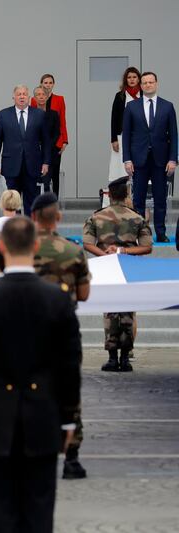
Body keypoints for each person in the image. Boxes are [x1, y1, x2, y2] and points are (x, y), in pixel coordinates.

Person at [0, 216, 82, 533]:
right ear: (36, 245)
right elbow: (69, 365)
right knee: (38, 511)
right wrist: (68, 419)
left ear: (0, 247)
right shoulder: (57, 298)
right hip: (42, 418)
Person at [31, 192, 91, 481]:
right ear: (58, 218)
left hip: (30, 333)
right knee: (68, 391)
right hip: (64, 333)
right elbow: (84, 294)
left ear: (32, 218)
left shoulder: (22, 251)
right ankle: (71, 457)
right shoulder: (73, 251)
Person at [83, 176, 153, 372]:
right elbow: (147, 248)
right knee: (128, 311)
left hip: (108, 268)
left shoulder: (96, 217)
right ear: (126, 195)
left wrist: (105, 254)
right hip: (130, 268)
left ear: (110, 195)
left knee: (110, 311)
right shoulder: (137, 218)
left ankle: (112, 357)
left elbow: (88, 243)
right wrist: (124, 251)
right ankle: (125, 358)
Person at [122, 71, 177, 242]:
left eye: (151, 82)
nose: (148, 85)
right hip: (139, 159)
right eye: (144, 83)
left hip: (161, 160)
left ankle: (160, 232)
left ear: (156, 84)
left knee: (160, 198)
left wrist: (173, 158)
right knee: (138, 200)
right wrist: (127, 159)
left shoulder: (168, 106)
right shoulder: (131, 107)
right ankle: (140, 234)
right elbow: (126, 135)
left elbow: (174, 135)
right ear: (141, 85)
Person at [0, 85, 51, 216]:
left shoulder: (39, 115)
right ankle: (14, 229)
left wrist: (46, 162)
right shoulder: (3, 115)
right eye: (19, 94)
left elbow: (46, 141)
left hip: (33, 165)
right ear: (14, 97)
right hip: (11, 165)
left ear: (29, 97)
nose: (22, 96)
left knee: (32, 200)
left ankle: (29, 229)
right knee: (12, 201)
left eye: (24, 94)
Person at [29, 74, 68, 197]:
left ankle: (54, 199)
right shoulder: (35, 99)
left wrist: (64, 140)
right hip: (39, 144)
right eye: (45, 83)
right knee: (40, 175)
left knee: (55, 173)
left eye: (50, 83)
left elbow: (62, 121)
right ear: (41, 84)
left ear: (53, 84)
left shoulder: (59, 99)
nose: (48, 85)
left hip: (56, 141)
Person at [109, 67, 141, 180]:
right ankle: (123, 195)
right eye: (129, 77)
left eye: (134, 77)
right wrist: (114, 139)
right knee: (121, 168)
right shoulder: (120, 96)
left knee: (139, 165)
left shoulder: (143, 95)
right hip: (122, 136)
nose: (132, 79)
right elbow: (114, 118)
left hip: (140, 136)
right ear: (125, 80)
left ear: (138, 79)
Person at [33, 85, 61, 193]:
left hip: (50, 153)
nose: (41, 97)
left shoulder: (54, 114)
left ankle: (49, 206)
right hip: (34, 153)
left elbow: (56, 133)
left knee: (47, 183)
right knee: (33, 183)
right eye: (38, 95)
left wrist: (47, 146)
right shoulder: (30, 114)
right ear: (34, 98)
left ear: (47, 96)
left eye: (43, 94)